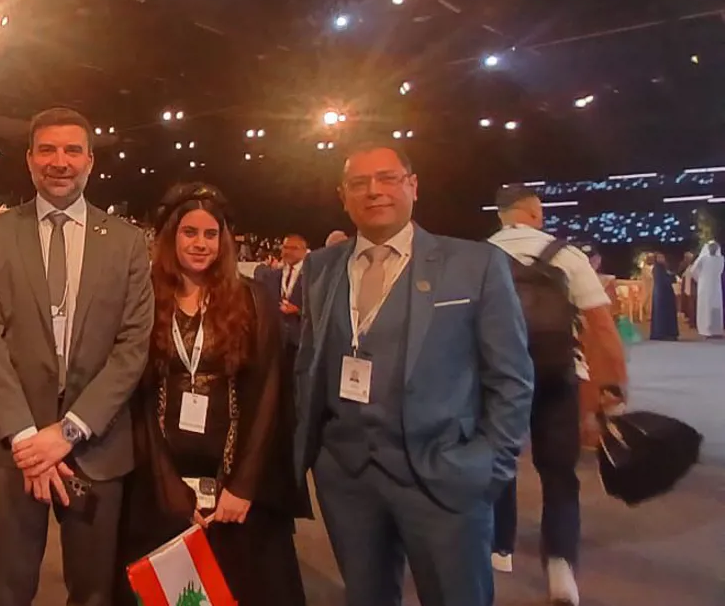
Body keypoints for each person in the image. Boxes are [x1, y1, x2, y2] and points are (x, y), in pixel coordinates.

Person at [291, 144, 533, 606]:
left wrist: (488, 467)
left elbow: (511, 378)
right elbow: (308, 365)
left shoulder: (474, 264)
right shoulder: (321, 267)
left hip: (443, 476)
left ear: (413, 186)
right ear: (343, 196)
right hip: (348, 478)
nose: (374, 191)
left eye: (387, 178)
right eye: (359, 183)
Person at [0, 107, 154, 606]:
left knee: (94, 592)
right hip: (13, 448)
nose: (59, 161)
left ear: (90, 161)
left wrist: (69, 430)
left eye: (72, 150)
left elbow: (132, 346)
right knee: (8, 589)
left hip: (96, 446)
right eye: (47, 150)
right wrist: (28, 440)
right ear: (29, 159)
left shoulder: (127, 242)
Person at [115, 183, 305, 606]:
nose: (200, 244)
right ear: (171, 236)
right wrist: (167, 487)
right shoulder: (144, 297)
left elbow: (269, 393)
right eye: (189, 232)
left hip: (233, 490)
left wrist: (244, 486)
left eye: (210, 234)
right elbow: (136, 398)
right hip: (158, 485)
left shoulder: (253, 298)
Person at [488, 185, 627, 605]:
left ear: (501, 215)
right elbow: (601, 326)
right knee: (559, 473)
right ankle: (560, 566)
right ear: (535, 212)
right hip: (557, 373)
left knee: (499, 460)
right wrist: (612, 387)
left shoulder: (478, 256)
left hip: (498, 377)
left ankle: (500, 546)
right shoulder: (566, 255)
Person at [687, 242, 724, 338]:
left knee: (715, 307)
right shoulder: (703, 259)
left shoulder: (720, 259)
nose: (713, 250)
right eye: (712, 248)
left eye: (715, 248)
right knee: (706, 307)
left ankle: (716, 330)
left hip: (714, 286)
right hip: (706, 286)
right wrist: (700, 279)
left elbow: (720, 271)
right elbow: (693, 270)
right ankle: (706, 330)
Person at [648, 253, 678, 340]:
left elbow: (672, 279)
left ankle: (669, 333)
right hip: (661, 294)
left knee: (668, 313)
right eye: (659, 257)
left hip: (667, 293)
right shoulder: (657, 268)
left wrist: (671, 276)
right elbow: (664, 280)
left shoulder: (664, 268)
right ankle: (660, 333)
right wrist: (670, 276)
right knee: (661, 314)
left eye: (663, 257)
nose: (662, 259)